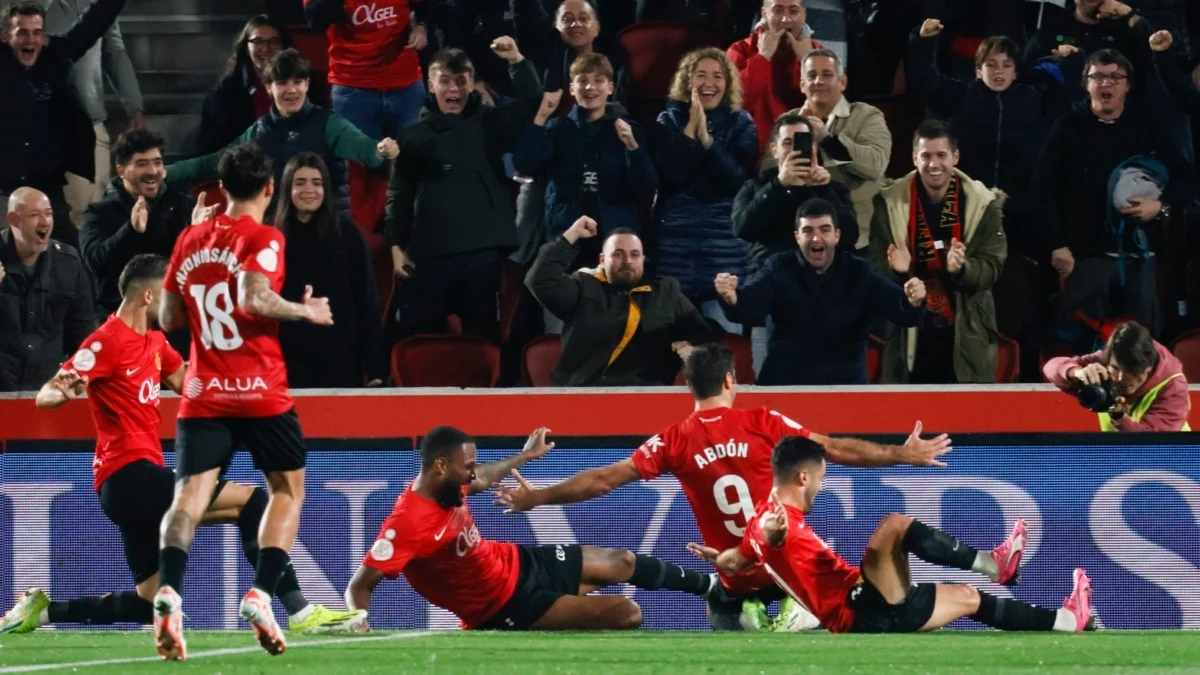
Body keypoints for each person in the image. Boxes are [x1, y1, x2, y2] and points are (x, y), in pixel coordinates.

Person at [0, 254, 364, 636]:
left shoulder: (155, 343)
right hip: (129, 475)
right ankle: (300, 611)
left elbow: (193, 384)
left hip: (132, 486)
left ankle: (39, 612)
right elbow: (47, 394)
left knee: (147, 603)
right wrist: (62, 392)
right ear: (145, 296)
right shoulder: (106, 342)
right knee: (256, 502)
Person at [496, 343, 953, 631]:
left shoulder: (673, 440)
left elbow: (602, 481)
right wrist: (902, 453)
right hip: (790, 576)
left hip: (734, 580)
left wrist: (539, 496)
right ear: (731, 381)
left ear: (688, 387)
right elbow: (833, 449)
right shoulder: (764, 422)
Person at [152, 143, 335, 660]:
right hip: (259, 391)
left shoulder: (190, 238)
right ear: (271, 188)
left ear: (221, 187)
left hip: (203, 392)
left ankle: (169, 589)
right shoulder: (265, 236)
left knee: (186, 500)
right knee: (287, 492)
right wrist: (306, 312)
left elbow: (168, 320)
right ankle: (260, 594)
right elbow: (254, 298)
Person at [689, 435, 1096, 634]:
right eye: (820, 477)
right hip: (856, 608)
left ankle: (1069, 620)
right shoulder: (774, 522)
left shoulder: (758, 522)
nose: (820, 485)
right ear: (802, 476)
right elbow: (772, 537)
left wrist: (717, 556)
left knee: (971, 599)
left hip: (870, 615)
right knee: (895, 526)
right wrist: (774, 535)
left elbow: (734, 561)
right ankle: (995, 564)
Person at [345, 426, 725, 630]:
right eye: (467, 465)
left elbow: (484, 477)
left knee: (622, 560)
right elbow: (360, 585)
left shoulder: (450, 483)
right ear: (441, 466)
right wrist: (360, 621)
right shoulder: (407, 522)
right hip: (503, 606)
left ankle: (714, 589)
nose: (474, 472)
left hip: (516, 562)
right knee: (627, 613)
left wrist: (525, 456)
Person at [1031, 49, 1198, 337]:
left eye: (1114, 77)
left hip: (1138, 259)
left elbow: (1188, 177)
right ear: (1085, 84)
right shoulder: (1067, 127)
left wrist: (1161, 206)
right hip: (1083, 260)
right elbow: (1041, 190)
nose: (1106, 84)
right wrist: (1057, 245)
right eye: (1097, 77)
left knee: (1140, 350)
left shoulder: (1147, 126)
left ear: (1128, 85)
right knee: (1083, 349)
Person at [384, 39, 542, 343]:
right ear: (430, 85)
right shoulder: (411, 138)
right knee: (423, 342)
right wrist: (395, 247)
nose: (453, 89)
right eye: (444, 81)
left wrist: (518, 62)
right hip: (427, 256)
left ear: (472, 84)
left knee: (482, 340)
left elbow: (532, 102)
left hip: (480, 256)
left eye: (460, 81)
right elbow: (398, 197)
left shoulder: (491, 125)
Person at [715, 199, 928, 385]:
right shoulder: (778, 267)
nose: (816, 238)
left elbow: (901, 311)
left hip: (845, 388)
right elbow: (748, 306)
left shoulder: (860, 271)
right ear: (797, 237)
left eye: (824, 230)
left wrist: (913, 300)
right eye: (808, 231)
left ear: (837, 235)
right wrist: (732, 299)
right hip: (786, 387)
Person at [169, 49, 400, 220]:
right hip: (277, 232)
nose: (291, 90)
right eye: (282, 83)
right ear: (269, 88)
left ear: (307, 85)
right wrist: (165, 172)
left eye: (298, 82)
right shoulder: (259, 130)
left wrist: (381, 150)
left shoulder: (329, 123)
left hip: (327, 231)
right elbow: (215, 162)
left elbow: (365, 149)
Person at [868, 121, 1007, 384]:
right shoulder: (889, 203)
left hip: (966, 329)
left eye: (941, 155)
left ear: (955, 156)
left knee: (965, 420)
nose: (934, 164)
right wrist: (897, 272)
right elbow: (874, 268)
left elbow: (993, 267)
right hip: (908, 330)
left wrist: (963, 268)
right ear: (914, 158)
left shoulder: (983, 204)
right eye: (926, 156)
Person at [908, 22, 1051, 257]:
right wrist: (924, 41)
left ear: (1015, 72)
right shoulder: (963, 95)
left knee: (1018, 276)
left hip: (1019, 209)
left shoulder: (1033, 100)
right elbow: (925, 81)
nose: (998, 71)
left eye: (1006, 65)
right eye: (990, 64)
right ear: (977, 70)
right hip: (965, 206)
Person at [0, 0, 129, 251]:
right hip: (4, 191)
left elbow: (92, 26)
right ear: (6, 37)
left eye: (37, 33)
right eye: (22, 32)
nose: (31, 40)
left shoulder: (55, 59)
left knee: (70, 255)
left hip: (49, 189)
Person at [525, 217, 714, 386]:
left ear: (643, 259)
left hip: (646, 398)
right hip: (583, 394)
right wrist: (570, 236)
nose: (627, 261)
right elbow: (540, 280)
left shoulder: (667, 292)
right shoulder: (583, 285)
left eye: (634, 254)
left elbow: (704, 337)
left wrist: (693, 350)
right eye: (618, 254)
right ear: (602, 259)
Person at [652, 47, 759, 331]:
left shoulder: (742, 123)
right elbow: (670, 175)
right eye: (701, 75)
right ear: (688, 82)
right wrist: (690, 131)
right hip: (675, 243)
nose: (709, 83)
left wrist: (708, 142)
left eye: (718, 76)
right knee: (668, 342)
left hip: (725, 246)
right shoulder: (668, 121)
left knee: (725, 342)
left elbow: (737, 180)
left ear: (728, 83)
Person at [512, 53, 656, 244]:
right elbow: (526, 165)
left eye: (599, 80)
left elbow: (646, 186)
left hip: (614, 235)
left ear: (610, 87)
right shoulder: (557, 128)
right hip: (566, 231)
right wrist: (540, 118)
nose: (590, 87)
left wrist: (632, 146)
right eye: (583, 80)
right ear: (572, 89)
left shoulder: (629, 130)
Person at [274, 152, 385, 388]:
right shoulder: (271, 236)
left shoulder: (347, 234)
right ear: (287, 188)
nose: (309, 190)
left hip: (340, 360)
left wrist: (374, 365)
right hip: (285, 360)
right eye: (300, 182)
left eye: (317, 183)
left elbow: (366, 300)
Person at [41, 0, 145, 227]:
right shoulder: (35, 5)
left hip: (90, 120)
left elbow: (114, 52)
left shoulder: (99, 6)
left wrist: (134, 105)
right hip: (42, 124)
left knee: (90, 208)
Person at [80, 130, 192, 319]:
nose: (152, 170)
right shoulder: (99, 213)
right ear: (121, 170)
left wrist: (202, 233)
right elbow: (96, 262)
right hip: (122, 319)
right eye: (142, 164)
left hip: (174, 317)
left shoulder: (184, 206)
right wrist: (131, 231)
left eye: (157, 162)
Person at [793, 48, 891, 251]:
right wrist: (799, 136)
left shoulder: (867, 116)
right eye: (811, 76)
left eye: (827, 74)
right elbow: (770, 173)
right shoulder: (788, 123)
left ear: (842, 82)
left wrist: (827, 141)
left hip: (859, 238)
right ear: (802, 84)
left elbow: (875, 165)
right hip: (801, 239)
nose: (818, 81)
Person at [0, 187, 95, 391]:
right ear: (13, 219)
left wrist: (83, 376)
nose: (45, 222)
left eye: (48, 213)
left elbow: (82, 328)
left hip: (47, 390)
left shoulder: (68, 262)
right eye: (34, 215)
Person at [1044, 320, 1189, 431]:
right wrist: (1076, 372)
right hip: (1119, 457)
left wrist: (1120, 418)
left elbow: (1149, 444)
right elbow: (1051, 368)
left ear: (1148, 369)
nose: (1119, 378)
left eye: (1131, 372)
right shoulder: (1107, 361)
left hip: (1170, 461)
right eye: (1115, 368)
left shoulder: (1173, 388)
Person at [727, 0, 824, 153]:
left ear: (803, 15)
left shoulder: (817, 52)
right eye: (778, 11)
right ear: (765, 14)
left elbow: (827, 109)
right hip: (750, 148)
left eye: (793, 11)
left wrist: (807, 63)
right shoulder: (740, 50)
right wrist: (762, 57)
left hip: (800, 148)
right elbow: (734, 103)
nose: (786, 19)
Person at [197, 15, 291, 155]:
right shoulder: (225, 91)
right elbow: (213, 145)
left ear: (283, 46)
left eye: (273, 41)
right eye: (257, 41)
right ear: (246, 47)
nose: (266, 48)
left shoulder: (301, 84)